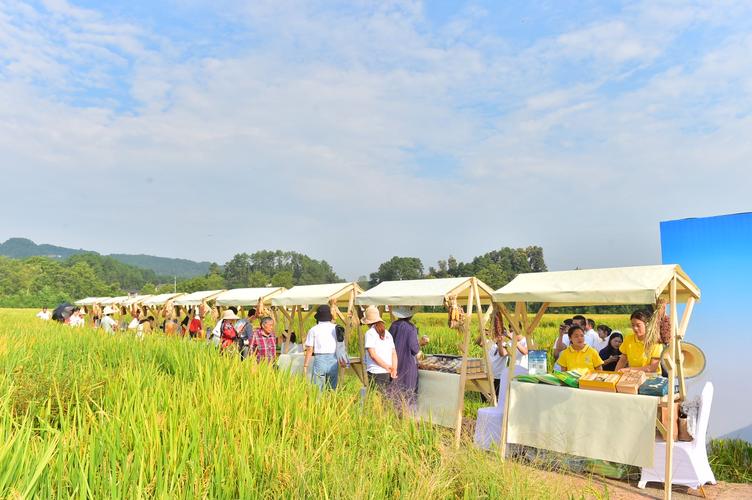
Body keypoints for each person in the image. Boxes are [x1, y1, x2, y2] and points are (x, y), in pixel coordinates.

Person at [389, 306, 427, 410]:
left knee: (395, 390)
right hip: (408, 364)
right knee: (408, 392)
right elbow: (414, 349)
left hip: (394, 362)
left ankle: (394, 414)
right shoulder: (411, 328)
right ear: (410, 315)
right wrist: (422, 342)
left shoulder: (393, 325)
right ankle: (407, 416)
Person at [303, 305, 341, 391]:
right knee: (332, 389)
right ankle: (331, 404)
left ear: (318, 317)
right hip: (333, 359)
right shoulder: (336, 328)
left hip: (320, 359)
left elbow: (309, 350)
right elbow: (340, 345)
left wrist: (305, 365)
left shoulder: (313, 330)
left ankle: (318, 404)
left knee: (318, 389)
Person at [362, 305, 397, 393]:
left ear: (368, 322)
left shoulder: (370, 333)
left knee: (376, 402)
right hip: (388, 373)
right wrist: (394, 369)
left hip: (375, 372)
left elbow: (373, 355)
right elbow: (394, 354)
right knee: (386, 401)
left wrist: (386, 367)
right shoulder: (388, 333)